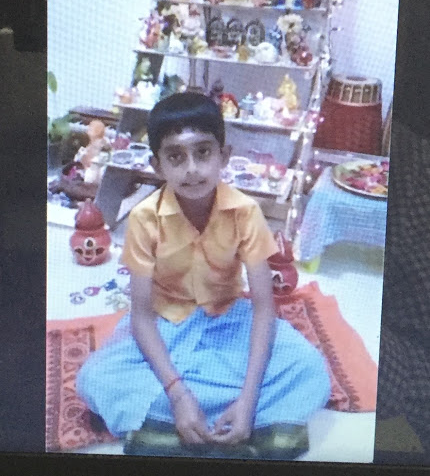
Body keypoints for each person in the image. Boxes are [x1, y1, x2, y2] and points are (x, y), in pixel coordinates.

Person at [77, 92, 330, 459]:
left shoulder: (246, 212)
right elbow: (142, 316)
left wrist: (248, 399)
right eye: (176, 157)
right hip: (166, 324)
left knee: (308, 368)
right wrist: (178, 394)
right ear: (157, 165)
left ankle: (181, 426)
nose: (192, 169)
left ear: (224, 156)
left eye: (203, 152)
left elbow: (264, 309)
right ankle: (237, 425)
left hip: (230, 321)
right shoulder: (144, 218)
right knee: (95, 376)